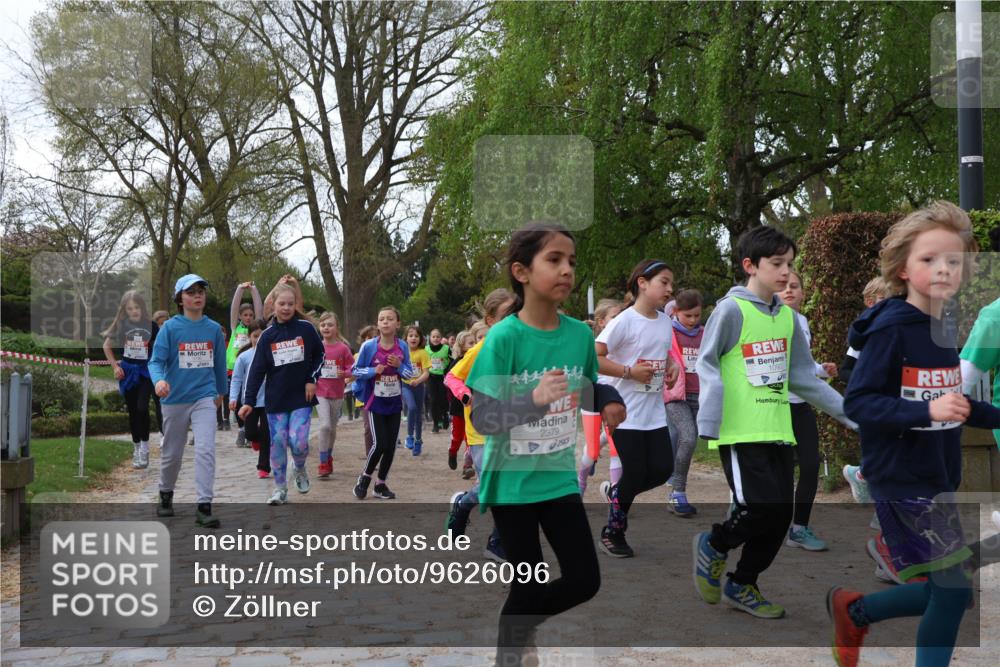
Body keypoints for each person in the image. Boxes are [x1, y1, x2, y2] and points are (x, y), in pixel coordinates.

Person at [828, 201, 1000, 667]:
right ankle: (855, 609)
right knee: (951, 592)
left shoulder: (942, 326)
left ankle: (855, 609)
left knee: (950, 591)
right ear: (902, 268)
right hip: (901, 478)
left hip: (936, 474)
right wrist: (925, 408)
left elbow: (954, 403)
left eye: (954, 261)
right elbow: (858, 403)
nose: (943, 269)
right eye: (929, 260)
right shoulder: (891, 328)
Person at [465, 223, 625, 664]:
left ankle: (520, 623)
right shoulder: (504, 338)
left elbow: (590, 382)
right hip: (512, 485)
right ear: (521, 271)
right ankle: (510, 653)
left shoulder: (577, 335)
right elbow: (484, 417)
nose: (566, 270)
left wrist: (609, 401)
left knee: (584, 580)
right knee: (529, 586)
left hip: (557, 480)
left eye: (571, 261)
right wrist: (533, 399)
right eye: (554, 260)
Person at [692, 226, 855, 619]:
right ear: (751, 265)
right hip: (740, 430)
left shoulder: (788, 319)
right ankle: (714, 543)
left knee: (781, 516)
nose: (786, 272)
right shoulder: (731, 310)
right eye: (777, 264)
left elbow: (802, 377)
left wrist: (853, 416)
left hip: (779, 430)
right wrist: (709, 418)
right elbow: (707, 362)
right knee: (759, 508)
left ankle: (743, 583)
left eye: (790, 264)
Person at [594, 259, 681, 557]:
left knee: (662, 469)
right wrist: (629, 372)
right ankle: (613, 533)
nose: (670, 289)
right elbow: (595, 357)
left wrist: (670, 367)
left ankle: (615, 493)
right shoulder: (624, 321)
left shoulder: (665, 322)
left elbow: (661, 354)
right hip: (624, 410)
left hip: (654, 411)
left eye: (671, 284)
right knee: (634, 472)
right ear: (642, 283)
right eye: (664, 282)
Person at [148, 274, 228, 528]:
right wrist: (159, 380)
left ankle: (204, 506)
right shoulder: (170, 328)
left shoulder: (214, 329)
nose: (197, 296)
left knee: (205, 449)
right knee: (173, 453)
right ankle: (165, 494)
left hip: (204, 396)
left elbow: (219, 365)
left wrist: (220, 393)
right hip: (174, 398)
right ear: (180, 299)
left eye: (201, 291)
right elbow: (156, 361)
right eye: (191, 292)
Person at [443, 288, 515, 563]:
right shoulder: (481, 349)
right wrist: (465, 395)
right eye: (507, 315)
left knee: (507, 485)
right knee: (493, 486)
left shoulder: (520, 348)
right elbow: (451, 377)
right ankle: (463, 507)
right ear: (490, 320)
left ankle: (496, 541)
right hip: (480, 431)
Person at [240, 283, 324, 505]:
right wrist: (248, 401)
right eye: (282, 304)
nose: (286, 308)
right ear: (273, 306)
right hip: (276, 400)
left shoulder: (306, 329)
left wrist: (311, 380)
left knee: (298, 442)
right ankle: (279, 489)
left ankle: (299, 467)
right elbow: (256, 370)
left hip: (301, 398)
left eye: (290, 303)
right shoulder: (267, 336)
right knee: (277, 442)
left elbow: (319, 355)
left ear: (295, 304)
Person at [779, 271, 839, 551]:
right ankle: (762, 522)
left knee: (811, 464)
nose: (789, 291)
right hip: (774, 406)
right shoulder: (768, 319)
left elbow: (802, 364)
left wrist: (820, 369)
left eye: (795, 287)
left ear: (803, 293)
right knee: (778, 470)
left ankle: (799, 528)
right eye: (783, 287)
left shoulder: (802, 321)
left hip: (800, 404)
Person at [350, 306, 415, 500]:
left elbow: (410, 374)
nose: (385, 322)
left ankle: (381, 484)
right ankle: (364, 478)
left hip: (394, 402)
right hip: (374, 402)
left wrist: (399, 366)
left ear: (398, 324)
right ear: (377, 324)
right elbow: (355, 371)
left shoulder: (402, 346)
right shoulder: (369, 346)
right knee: (379, 444)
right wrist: (372, 371)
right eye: (382, 319)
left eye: (390, 319)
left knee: (390, 447)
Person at [102, 290, 158, 469]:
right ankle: (136, 447)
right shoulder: (121, 325)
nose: (134, 311)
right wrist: (115, 367)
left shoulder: (151, 325)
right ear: (125, 310)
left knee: (142, 408)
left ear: (142, 307)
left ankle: (145, 448)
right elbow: (106, 346)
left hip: (146, 372)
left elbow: (160, 347)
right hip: (127, 372)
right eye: (129, 309)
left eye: (136, 308)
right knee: (133, 412)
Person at [664, 288, 704, 516]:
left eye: (697, 315)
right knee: (687, 438)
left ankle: (673, 482)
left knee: (686, 440)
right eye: (688, 315)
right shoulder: (667, 332)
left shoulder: (705, 333)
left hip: (699, 396)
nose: (693, 320)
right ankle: (678, 493)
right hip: (674, 396)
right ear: (677, 312)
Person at [579, 298, 624, 494]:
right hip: (591, 397)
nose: (620, 321)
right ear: (601, 321)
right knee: (592, 450)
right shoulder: (589, 343)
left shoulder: (624, 342)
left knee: (617, 450)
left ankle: (615, 497)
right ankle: (580, 480)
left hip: (614, 399)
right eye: (615, 317)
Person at [316, 312, 354, 478]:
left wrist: (343, 374)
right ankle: (323, 461)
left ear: (337, 327)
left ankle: (328, 455)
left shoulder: (343, 348)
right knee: (324, 425)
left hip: (337, 393)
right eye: (323, 324)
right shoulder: (316, 346)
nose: (326, 327)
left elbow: (354, 370)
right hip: (320, 391)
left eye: (330, 324)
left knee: (332, 428)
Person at [229, 319, 268, 477]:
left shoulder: (271, 355)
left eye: (262, 336)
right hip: (250, 402)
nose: (258, 339)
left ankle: (263, 467)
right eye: (255, 336)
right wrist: (233, 398)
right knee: (251, 433)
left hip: (268, 400)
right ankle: (256, 440)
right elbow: (237, 379)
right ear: (250, 336)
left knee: (267, 434)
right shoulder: (244, 357)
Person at [227, 282, 263, 447]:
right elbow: (234, 309)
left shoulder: (257, 329)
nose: (248, 317)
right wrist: (240, 289)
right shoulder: (235, 328)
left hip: (252, 367)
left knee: (248, 398)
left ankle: (248, 431)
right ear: (241, 317)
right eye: (245, 315)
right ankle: (242, 430)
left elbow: (259, 309)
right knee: (237, 401)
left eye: (251, 315)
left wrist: (254, 289)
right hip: (234, 368)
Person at [445, 329, 476, 468]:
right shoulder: (458, 362)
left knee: (470, 436)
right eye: (471, 343)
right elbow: (449, 381)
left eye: (475, 342)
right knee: (457, 437)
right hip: (458, 406)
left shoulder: (478, 360)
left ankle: (467, 466)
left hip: (473, 405)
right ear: (462, 345)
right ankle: (452, 452)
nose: (474, 345)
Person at [401, 325, 430, 454]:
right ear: (406, 338)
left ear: (420, 339)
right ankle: (409, 436)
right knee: (411, 408)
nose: (413, 338)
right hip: (406, 385)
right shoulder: (402, 352)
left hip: (419, 386)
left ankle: (418, 440)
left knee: (418, 414)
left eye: (416, 336)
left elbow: (426, 373)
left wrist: (418, 381)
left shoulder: (423, 353)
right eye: (410, 335)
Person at [356, 325, 378, 453]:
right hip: (364, 397)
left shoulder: (382, 354)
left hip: (379, 396)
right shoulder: (357, 355)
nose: (371, 340)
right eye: (368, 338)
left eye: (375, 337)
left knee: (379, 427)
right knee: (368, 427)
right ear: (363, 339)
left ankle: (378, 451)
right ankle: (370, 454)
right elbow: (352, 372)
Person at [426, 329, 451, 433]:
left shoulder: (446, 348)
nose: (435, 339)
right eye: (433, 337)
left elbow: (452, 361)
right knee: (433, 400)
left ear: (441, 338)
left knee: (443, 399)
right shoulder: (426, 349)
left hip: (443, 377)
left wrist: (448, 370)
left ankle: (445, 415)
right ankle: (435, 424)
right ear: (430, 338)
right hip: (431, 377)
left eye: (437, 337)